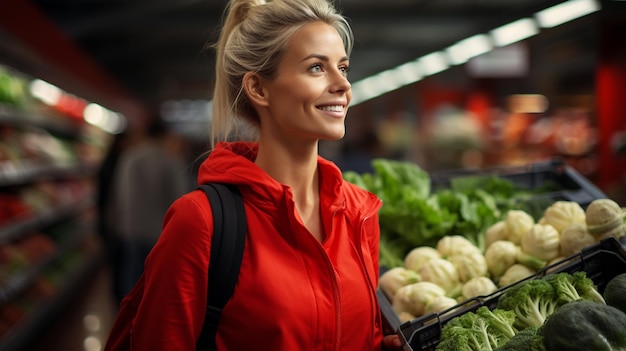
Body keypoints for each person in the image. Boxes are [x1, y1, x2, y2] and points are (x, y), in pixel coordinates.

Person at [111, 0, 403, 349]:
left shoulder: (359, 213)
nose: (342, 84)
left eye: (343, 67)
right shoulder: (201, 222)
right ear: (258, 88)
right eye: (316, 68)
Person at [107, 116, 192, 304]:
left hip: (130, 228)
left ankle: (127, 322)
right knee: (154, 285)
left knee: (131, 280)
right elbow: (179, 199)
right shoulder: (170, 161)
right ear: (164, 135)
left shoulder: (129, 157)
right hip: (159, 232)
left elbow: (118, 194)